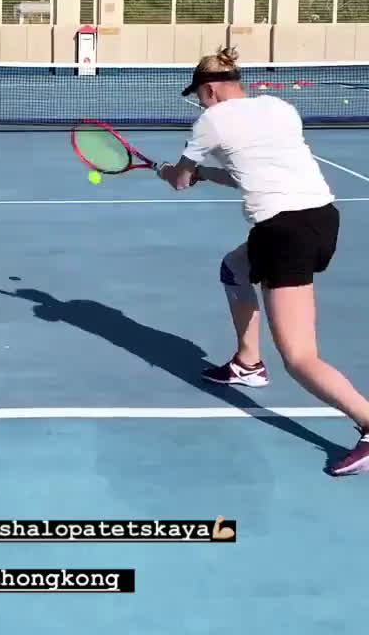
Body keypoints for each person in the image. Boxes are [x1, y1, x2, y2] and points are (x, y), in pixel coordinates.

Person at [158, 45, 369, 477]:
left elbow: (179, 180)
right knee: (234, 268)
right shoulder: (279, 107)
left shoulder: (211, 121)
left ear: (209, 90)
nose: (201, 104)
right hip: (323, 218)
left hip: (283, 233)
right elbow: (248, 173)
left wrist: (171, 173)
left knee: (300, 358)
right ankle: (247, 362)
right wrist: (204, 174)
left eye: (199, 96)